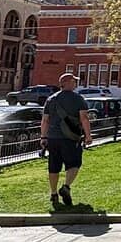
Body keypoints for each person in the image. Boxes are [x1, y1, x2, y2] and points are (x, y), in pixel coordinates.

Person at [40, 73, 92, 208]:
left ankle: (53, 193)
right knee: (74, 164)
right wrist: (88, 136)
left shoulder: (51, 99)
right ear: (68, 82)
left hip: (53, 138)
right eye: (74, 81)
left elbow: (45, 120)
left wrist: (43, 137)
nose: (75, 84)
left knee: (53, 166)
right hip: (70, 138)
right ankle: (66, 186)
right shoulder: (79, 99)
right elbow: (84, 119)